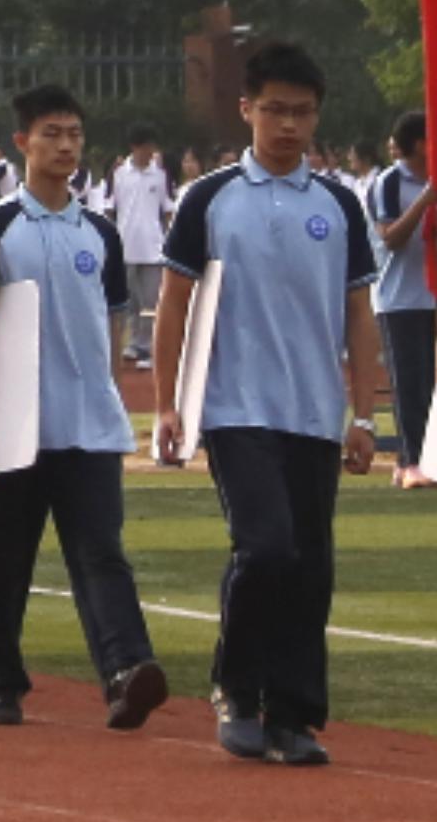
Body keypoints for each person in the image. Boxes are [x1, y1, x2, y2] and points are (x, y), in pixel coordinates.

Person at [149, 39, 381, 768]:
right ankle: (237, 688)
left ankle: (295, 714)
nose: (288, 125)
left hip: (313, 411)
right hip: (235, 406)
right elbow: (174, 304)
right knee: (266, 547)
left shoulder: (340, 205)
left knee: (311, 565)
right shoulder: (210, 198)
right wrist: (166, 404)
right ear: (247, 110)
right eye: (275, 110)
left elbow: (359, 313)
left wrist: (365, 413)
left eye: (303, 113)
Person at [0, 87, 166, 731]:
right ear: (23, 143)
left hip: (89, 426)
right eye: (52, 133)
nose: (66, 145)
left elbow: (109, 327)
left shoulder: (98, 233)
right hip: (15, 428)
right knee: (4, 558)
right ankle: (1, 680)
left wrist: (108, 395)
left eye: (74, 133)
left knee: (101, 551)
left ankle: (127, 671)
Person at [361, 115, 437, 524]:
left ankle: (430, 456)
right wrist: (424, 203)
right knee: (410, 382)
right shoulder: (390, 183)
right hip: (398, 298)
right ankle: (410, 461)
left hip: (436, 296)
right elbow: (390, 236)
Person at [102, 135, 174, 364]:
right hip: (125, 247)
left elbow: (168, 209)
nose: (149, 152)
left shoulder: (161, 173)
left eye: (151, 147)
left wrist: (168, 239)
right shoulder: (119, 173)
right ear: (134, 146)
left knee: (151, 302)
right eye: (144, 147)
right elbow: (109, 208)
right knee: (130, 301)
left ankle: (149, 346)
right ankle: (133, 343)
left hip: (153, 248)